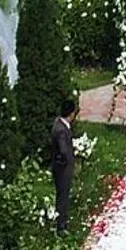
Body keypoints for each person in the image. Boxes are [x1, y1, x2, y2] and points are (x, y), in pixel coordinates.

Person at [49, 96, 78, 232]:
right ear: (71, 114)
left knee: (62, 194)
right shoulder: (61, 130)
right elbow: (63, 150)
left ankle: (61, 219)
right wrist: (69, 159)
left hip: (60, 167)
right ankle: (61, 224)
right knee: (63, 195)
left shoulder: (58, 123)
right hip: (62, 169)